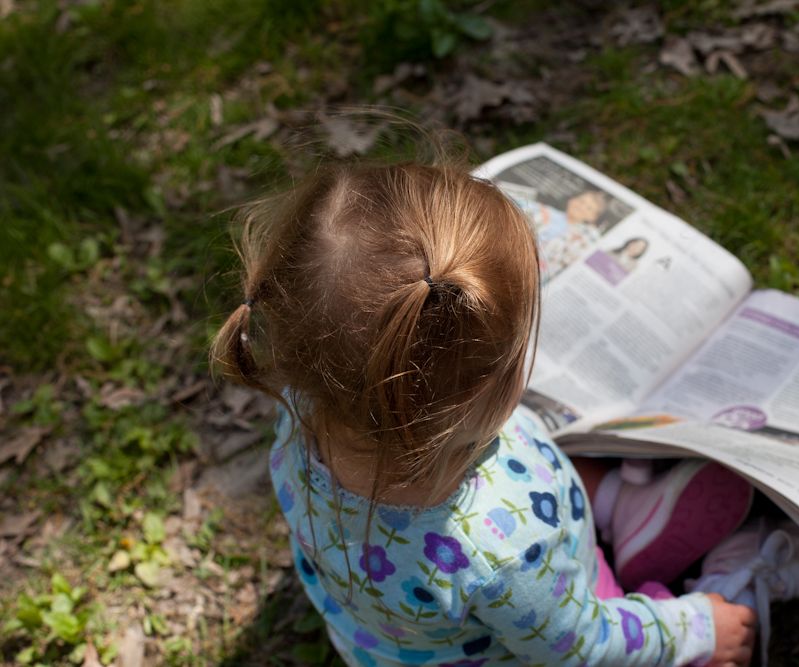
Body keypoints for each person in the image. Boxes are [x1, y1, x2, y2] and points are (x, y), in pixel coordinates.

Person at [210, 153, 756, 666]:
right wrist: (694, 626)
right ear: (477, 401)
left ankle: (618, 507)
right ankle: (692, 571)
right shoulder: (502, 554)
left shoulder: (305, 409)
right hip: (546, 625)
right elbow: (580, 649)